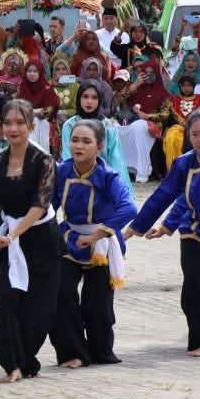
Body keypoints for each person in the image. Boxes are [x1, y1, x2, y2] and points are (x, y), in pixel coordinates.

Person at [0, 99, 60, 382]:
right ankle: (10, 362)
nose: (12, 128)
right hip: (6, 239)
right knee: (5, 297)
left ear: (31, 126)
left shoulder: (44, 161)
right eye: (7, 123)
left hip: (40, 239)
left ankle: (25, 361)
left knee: (38, 307)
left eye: (19, 123)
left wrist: (14, 234)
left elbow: (40, 204)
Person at [48, 119, 137, 369]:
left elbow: (129, 207)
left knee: (97, 303)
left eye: (86, 141)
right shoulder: (62, 171)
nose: (79, 145)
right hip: (70, 238)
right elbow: (50, 205)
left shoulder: (108, 176)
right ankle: (72, 352)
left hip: (102, 246)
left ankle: (100, 351)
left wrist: (98, 234)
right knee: (61, 293)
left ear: (99, 147)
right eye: (75, 140)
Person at [125, 108, 200, 356]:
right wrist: (137, 228)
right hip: (193, 231)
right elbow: (165, 196)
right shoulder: (184, 163)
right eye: (196, 134)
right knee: (194, 287)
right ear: (188, 136)